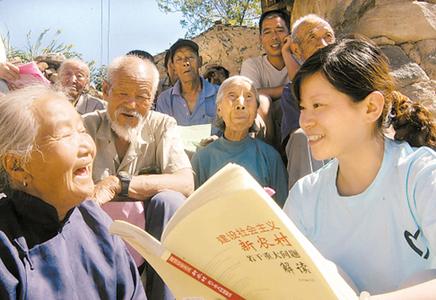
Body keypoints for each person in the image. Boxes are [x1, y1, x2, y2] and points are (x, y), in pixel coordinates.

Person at [283, 38, 436, 298]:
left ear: (371, 107)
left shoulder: (421, 176)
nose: (305, 121)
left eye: (318, 105)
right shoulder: (305, 196)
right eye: (303, 108)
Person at [0, 85, 146, 299]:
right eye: (66, 135)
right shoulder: (6, 248)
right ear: (17, 165)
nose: (87, 147)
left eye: (82, 131)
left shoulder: (97, 223)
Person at [83, 55, 194, 300]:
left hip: (149, 239)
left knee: (170, 201)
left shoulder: (162, 125)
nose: (131, 105)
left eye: (142, 97)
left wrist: (117, 184)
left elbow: (185, 182)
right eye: (123, 93)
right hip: (97, 241)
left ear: (153, 99)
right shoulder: (84, 127)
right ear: (105, 91)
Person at [191, 75, 288, 207]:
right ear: (219, 109)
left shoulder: (270, 157)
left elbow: (283, 210)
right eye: (232, 96)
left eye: (248, 97)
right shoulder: (202, 159)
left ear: (255, 111)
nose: (241, 104)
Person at [280, 14, 336, 189]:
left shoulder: (354, 81)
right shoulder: (293, 93)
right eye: (313, 38)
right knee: (301, 137)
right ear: (296, 50)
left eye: (328, 36)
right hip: (322, 155)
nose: (323, 45)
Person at [240, 9, 290, 146]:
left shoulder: (299, 62)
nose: (274, 37)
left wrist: (287, 53)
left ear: (289, 34)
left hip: (296, 126)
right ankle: (268, 153)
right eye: (267, 32)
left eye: (280, 30)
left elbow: (303, 90)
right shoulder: (252, 65)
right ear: (260, 38)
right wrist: (287, 89)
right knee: (261, 101)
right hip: (266, 128)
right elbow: (250, 96)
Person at [155, 39, 218, 127]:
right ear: (173, 67)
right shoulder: (165, 100)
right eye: (179, 59)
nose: (185, 63)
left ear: (200, 61)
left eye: (190, 57)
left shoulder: (220, 94)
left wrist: (218, 140)